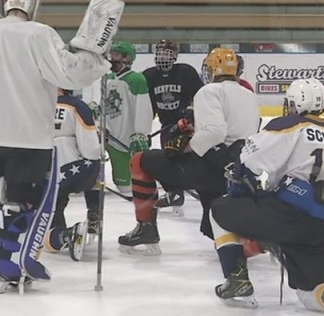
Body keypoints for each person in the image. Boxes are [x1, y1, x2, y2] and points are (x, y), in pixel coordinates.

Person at [0, 0, 122, 292]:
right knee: (22, 202)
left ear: (2, 1)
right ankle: (11, 264)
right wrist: (97, 59)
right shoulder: (40, 33)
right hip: (27, 140)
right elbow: (69, 73)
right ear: (33, 5)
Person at [208, 78, 324, 316]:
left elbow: (249, 161)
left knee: (220, 209)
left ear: (295, 104)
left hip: (288, 214)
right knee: (311, 292)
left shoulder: (289, 125)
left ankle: (236, 277)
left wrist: (240, 172)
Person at [119, 48, 260, 255]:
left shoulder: (209, 91)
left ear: (211, 69)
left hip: (208, 168)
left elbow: (215, 131)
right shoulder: (250, 95)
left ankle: (146, 228)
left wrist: (185, 147)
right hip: (237, 171)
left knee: (140, 160)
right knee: (214, 227)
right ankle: (257, 242)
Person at [142, 39, 203, 213]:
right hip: (166, 126)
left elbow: (201, 95)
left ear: (175, 56)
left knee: (189, 157)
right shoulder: (149, 76)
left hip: (187, 125)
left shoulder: (186, 72)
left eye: (167, 53)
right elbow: (149, 106)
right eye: (160, 52)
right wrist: (143, 129)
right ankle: (175, 193)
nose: (163, 56)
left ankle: (198, 188)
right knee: (167, 159)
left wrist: (192, 111)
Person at [44, 88, 102, 261]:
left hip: (45, 176)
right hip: (76, 171)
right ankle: (94, 211)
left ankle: (65, 234)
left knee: (49, 235)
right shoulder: (77, 106)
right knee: (96, 163)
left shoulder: (33, 103)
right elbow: (91, 150)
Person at [98, 40, 153, 198]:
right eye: (112, 54)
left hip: (125, 138)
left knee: (126, 186)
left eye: (116, 54)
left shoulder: (136, 80)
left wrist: (141, 133)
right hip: (107, 135)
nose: (111, 58)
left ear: (127, 58)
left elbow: (144, 109)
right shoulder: (106, 77)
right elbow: (101, 102)